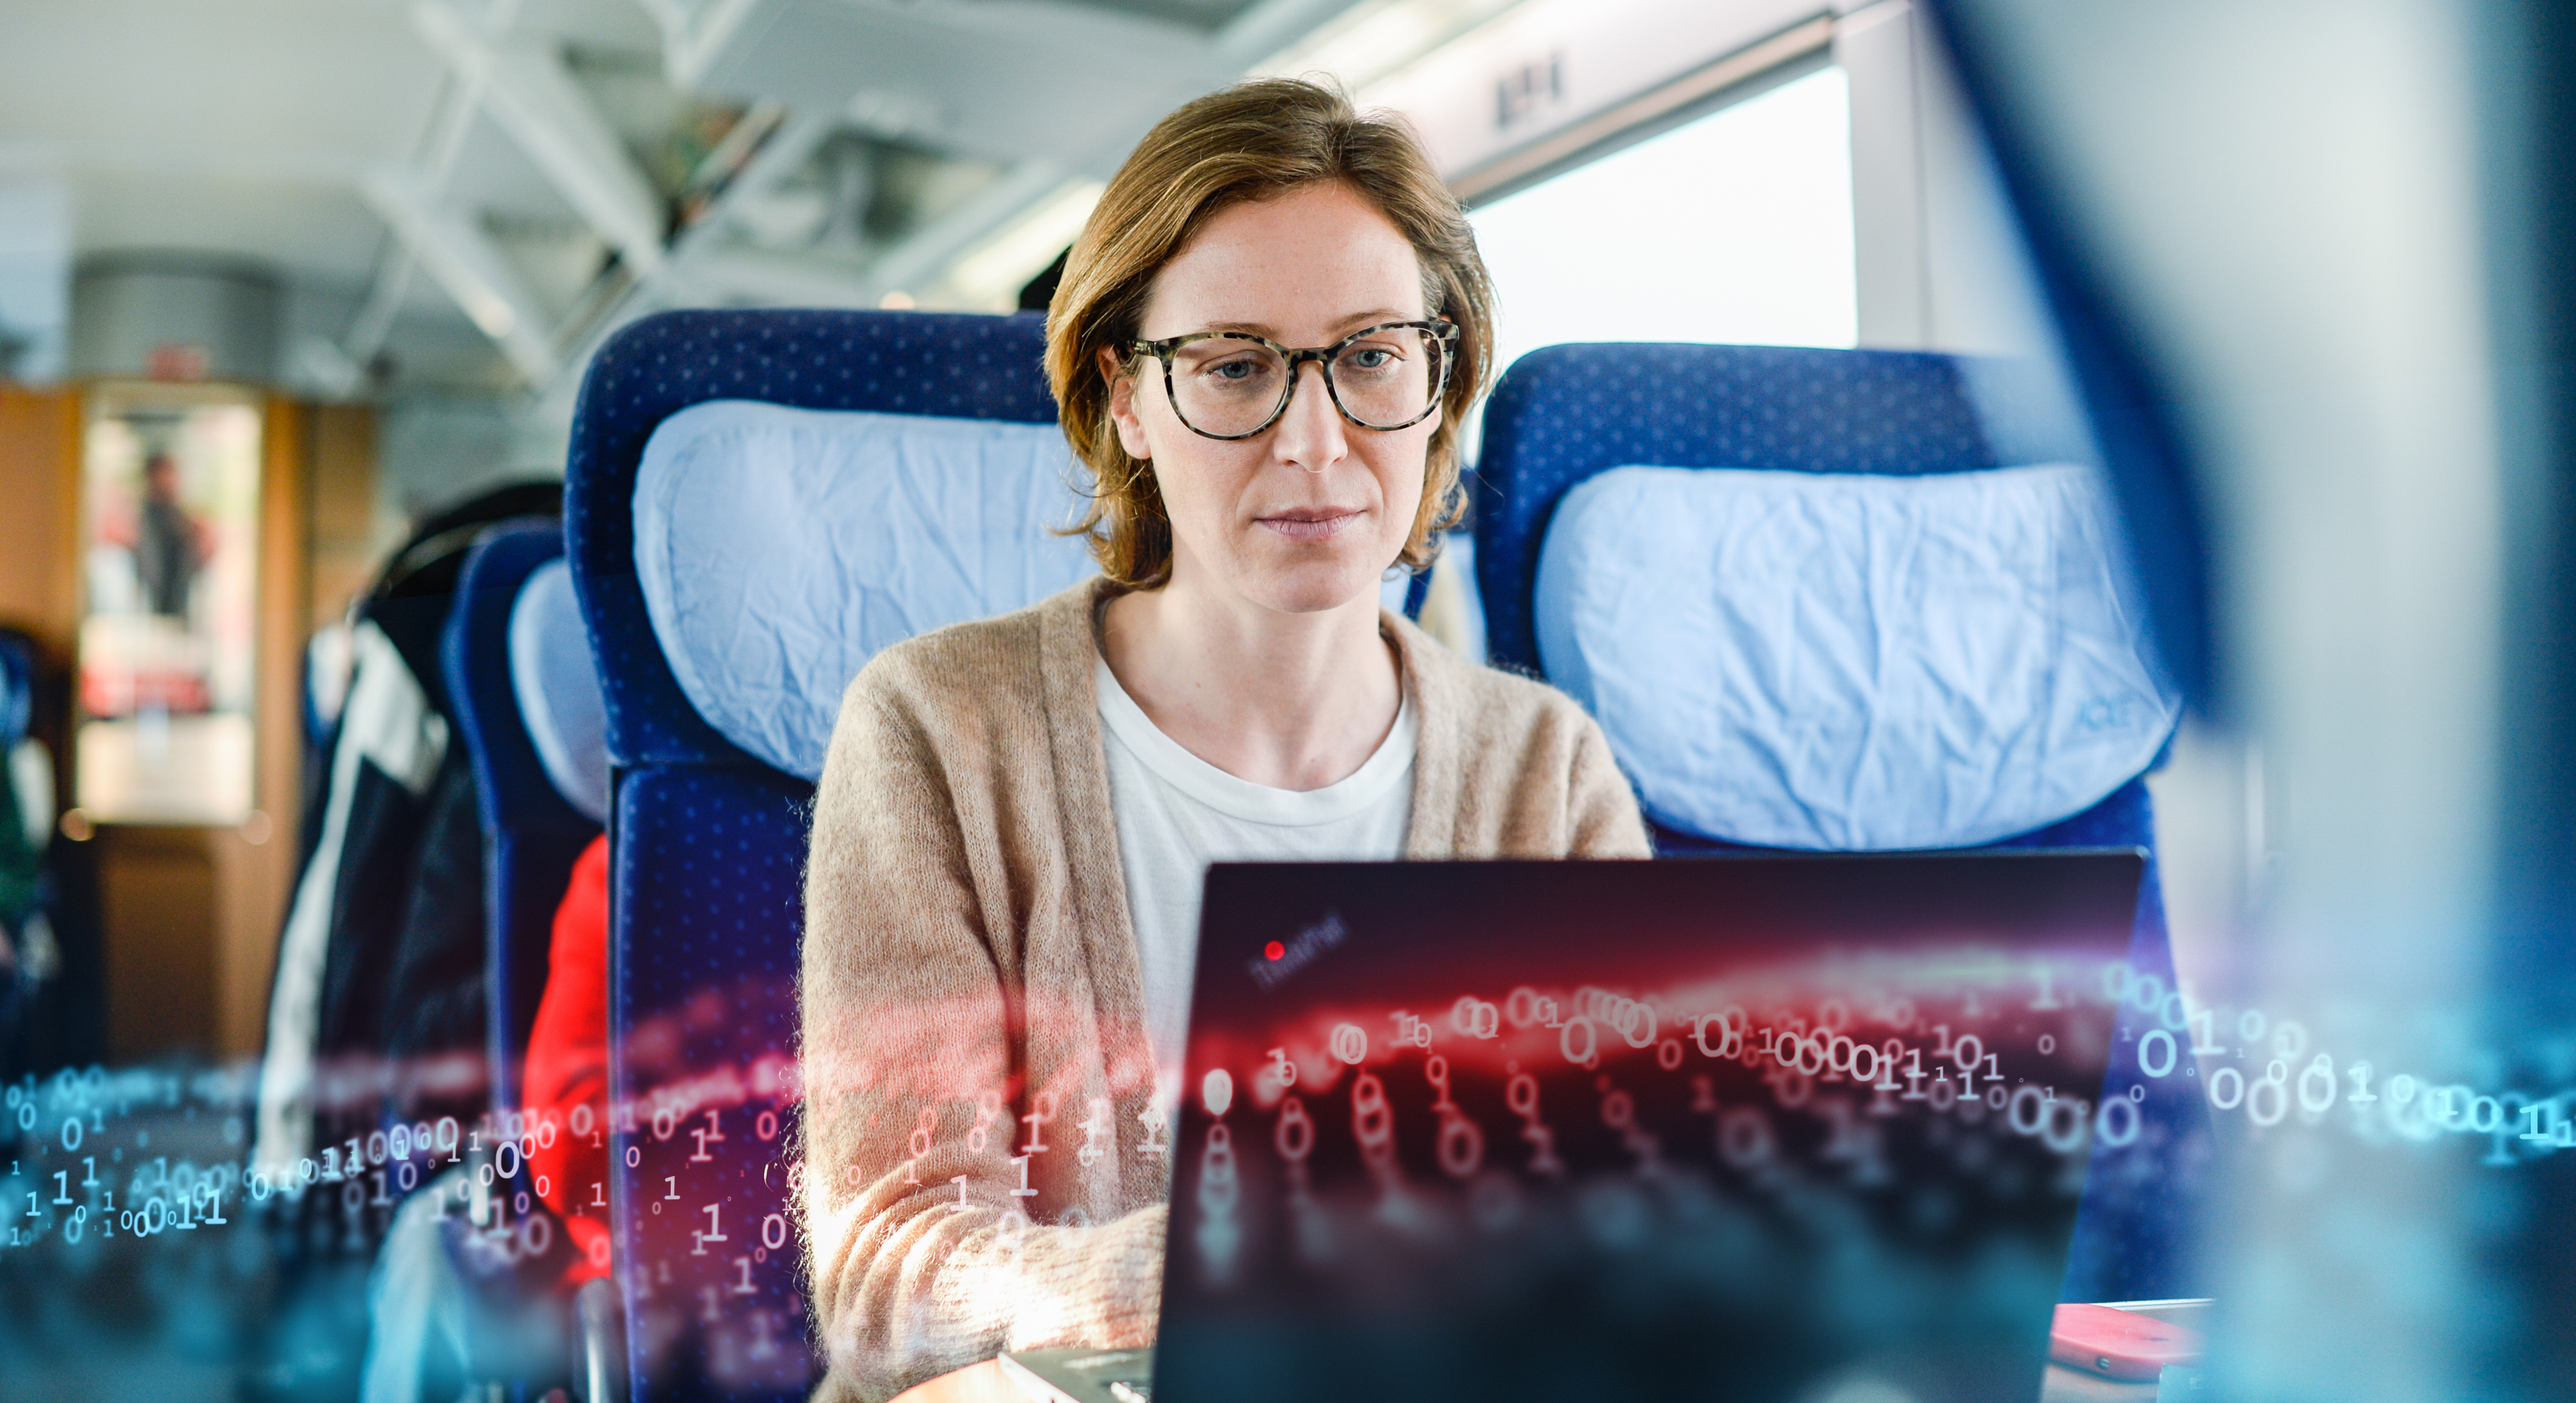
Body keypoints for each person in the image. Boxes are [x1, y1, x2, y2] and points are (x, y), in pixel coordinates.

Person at [798, 77, 1649, 1402]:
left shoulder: (1549, 775)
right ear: (1123, 399)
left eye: (1373, 356)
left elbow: (1642, 1216)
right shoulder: (938, 734)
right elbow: (895, 1283)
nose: (1317, 444)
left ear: (1442, 384)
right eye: (1237, 368)